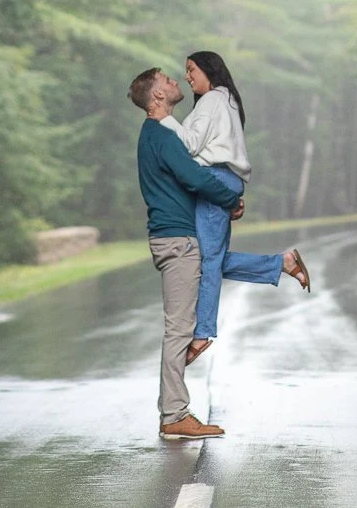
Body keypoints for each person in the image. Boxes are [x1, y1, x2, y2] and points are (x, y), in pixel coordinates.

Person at [162, 51, 310, 366]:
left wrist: (162, 117)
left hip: (214, 178)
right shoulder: (226, 100)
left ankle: (201, 334)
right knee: (208, 259)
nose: (187, 77)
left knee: (207, 260)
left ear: (209, 69)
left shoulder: (213, 100)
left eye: (191, 70)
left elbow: (188, 144)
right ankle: (281, 263)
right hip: (223, 180)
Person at [129, 66, 241, 441]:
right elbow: (194, 179)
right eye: (167, 80)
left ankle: (173, 412)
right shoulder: (162, 135)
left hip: (172, 238)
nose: (176, 81)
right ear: (157, 97)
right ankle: (174, 414)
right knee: (178, 330)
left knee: (178, 327)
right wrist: (231, 199)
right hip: (177, 240)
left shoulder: (154, 135)